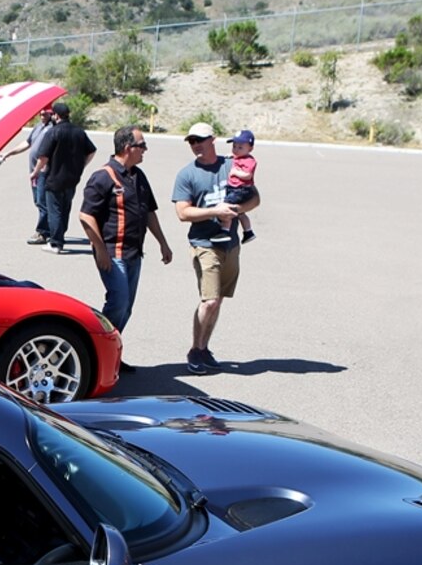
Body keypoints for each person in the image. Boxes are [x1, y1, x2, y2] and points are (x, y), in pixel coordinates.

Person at [79, 127, 172, 372]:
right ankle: (93, 349)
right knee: (118, 302)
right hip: (112, 253)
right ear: (127, 147)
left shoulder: (138, 176)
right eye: (142, 145)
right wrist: (99, 249)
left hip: (134, 253)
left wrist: (162, 242)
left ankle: (110, 354)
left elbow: (149, 212)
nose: (145, 150)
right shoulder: (103, 176)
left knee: (126, 306)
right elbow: (86, 216)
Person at [172, 122, 260, 374]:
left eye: (200, 139)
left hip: (230, 244)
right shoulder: (187, 174)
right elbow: (182, 212)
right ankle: (195, 350)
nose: (196, 145)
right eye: (191, 141)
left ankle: (204, 348)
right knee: (209, 300)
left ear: (213, 139)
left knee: (219, 299)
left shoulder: (232, 165)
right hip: (204, 244)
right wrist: (214, 211)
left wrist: (235, 211)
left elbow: (254, 198)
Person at [29, 101, 95, 254]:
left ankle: (56, 243)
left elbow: (43, 156)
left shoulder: (54, 132)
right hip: (72, 178)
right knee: (65, 208)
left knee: (54, 210)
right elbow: (91, 151)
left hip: (54, 177)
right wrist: (82, 165)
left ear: (56, 115)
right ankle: (60, 237)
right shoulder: (79, 132)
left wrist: (35, 172)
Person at [0, 105, 56, 245]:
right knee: (38, 201)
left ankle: (43, 232)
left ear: (52, 114)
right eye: (41, 113)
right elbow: (27, 143)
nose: (42, 116)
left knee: (42, 202)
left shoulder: (53, 129)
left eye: (46, 113)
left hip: (44, 171)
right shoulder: (38, 127)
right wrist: (8, 153)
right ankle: (50, 230)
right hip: (34, 171)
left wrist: (39, 170)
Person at [224, 129, 259, 243]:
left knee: (227, 207)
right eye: (234, 146)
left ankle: (224, 230)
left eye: (240, 147)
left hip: (241, 189)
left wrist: (235, 172)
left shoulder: (249, 160)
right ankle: (248, 231)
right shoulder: (238, 157)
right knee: (240, 213)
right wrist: (232, 155)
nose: (236, 150)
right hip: (235, 188)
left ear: (250, 149)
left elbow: (248, 175)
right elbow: (235, 158)